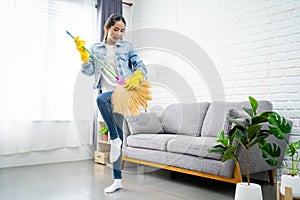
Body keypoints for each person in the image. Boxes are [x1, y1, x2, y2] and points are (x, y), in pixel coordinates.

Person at [74, 14, 147, 193]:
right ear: (107, 28)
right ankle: (118, 180)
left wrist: (137, 75)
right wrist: (84, 56)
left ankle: (113, 138)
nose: (119, 34)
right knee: (119, 138)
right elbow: (89, 71)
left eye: (122, 30)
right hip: (110, 96)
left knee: (100, 100)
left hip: (125, 91)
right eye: (116, 29)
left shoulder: (127, 47)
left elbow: (140, 65)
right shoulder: (96, 48)